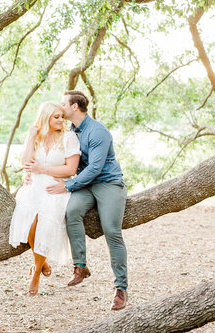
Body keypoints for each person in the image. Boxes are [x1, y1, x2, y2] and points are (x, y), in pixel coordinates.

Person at [43, 90, 129, 311]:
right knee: (71, 212)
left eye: (63, 104)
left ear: (74, 107)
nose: (60, 108)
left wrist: (68, 185)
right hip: (85, 185)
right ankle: (80, 266)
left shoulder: (98, 132)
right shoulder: (71, 130)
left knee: (111, 230)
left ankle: (121, 288)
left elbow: (94, 168)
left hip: (108, 183)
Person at [8, 101, 80, 295]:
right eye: (56, 117)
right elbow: (25, 162)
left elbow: (71, 169)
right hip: (34, 185)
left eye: (61, 117)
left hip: (57, 186)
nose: (60, 120)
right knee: (30, 223)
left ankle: (36, 273)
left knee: (45, 221)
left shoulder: (68, 137)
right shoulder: (37, 136)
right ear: (45, 117)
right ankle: (42, 262)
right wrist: (31, 137)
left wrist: (44, 169)